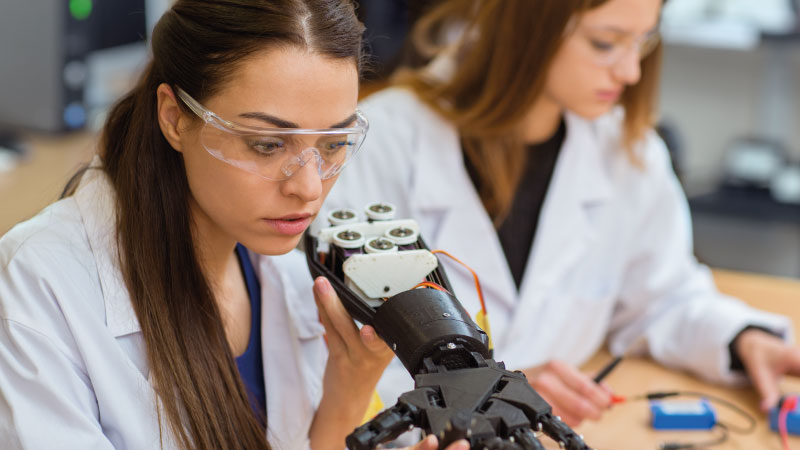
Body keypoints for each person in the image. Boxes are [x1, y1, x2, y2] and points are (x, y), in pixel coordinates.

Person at [0, 1, 468, 449]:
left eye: (332, 143)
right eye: (267, 145)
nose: (308, 188)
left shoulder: (291, 265)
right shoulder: (40, 289)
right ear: (174, 118)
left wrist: (350, 383)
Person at [322, 0, 800, 428]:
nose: (632, 71)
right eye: (605, 42)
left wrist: (741, 339)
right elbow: (327, 347)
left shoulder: (626, 150)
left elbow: (663, 297)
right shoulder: (381, 143)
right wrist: (490, 395)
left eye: (642, 42)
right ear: (527, 24)